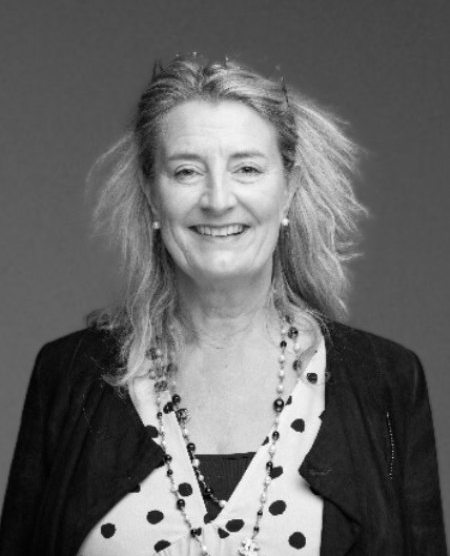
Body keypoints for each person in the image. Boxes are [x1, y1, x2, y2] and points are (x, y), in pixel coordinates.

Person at [0, 54, 447, 556]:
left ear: (288, 189)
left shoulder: (385, 381)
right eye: (187, 171)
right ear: (152, 195)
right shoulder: (68, 376)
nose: (217, 200)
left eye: (247, 168)